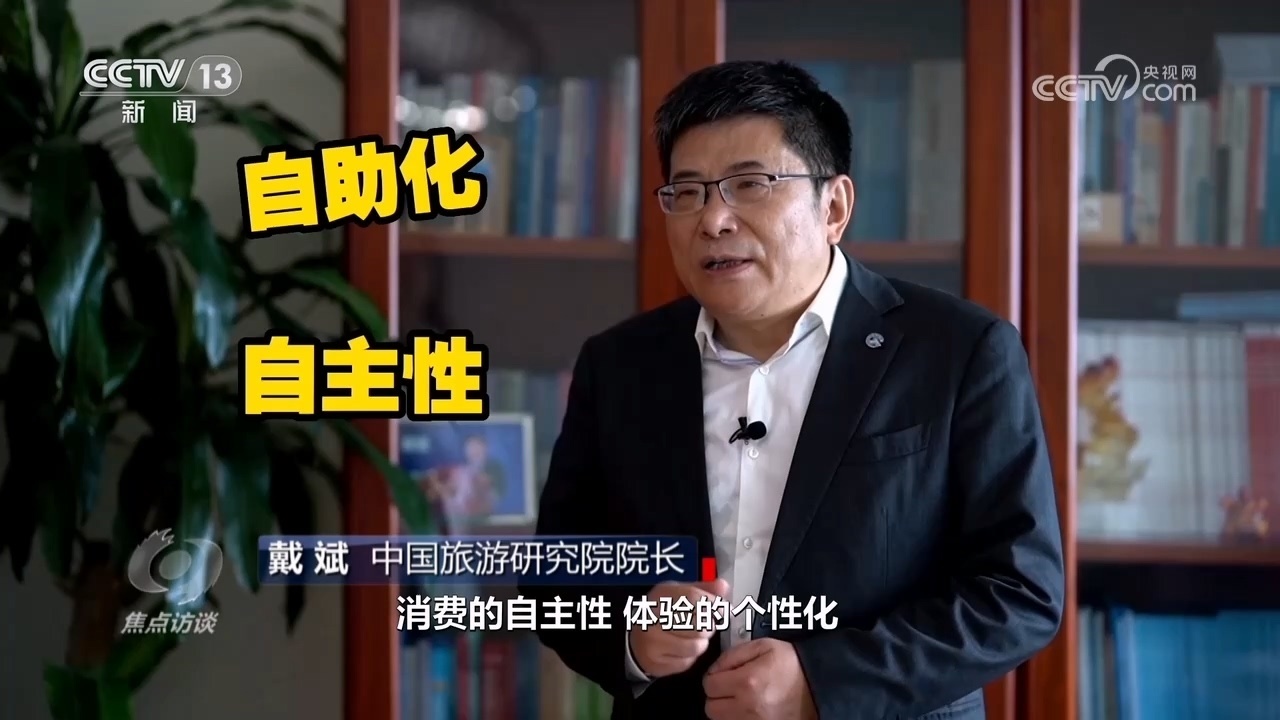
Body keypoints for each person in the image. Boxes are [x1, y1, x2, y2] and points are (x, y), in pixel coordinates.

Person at [524, 60, 1065, 720]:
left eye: (750, 185)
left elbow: (1018, 591)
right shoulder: (620, 365)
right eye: (687, 192)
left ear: (832, 206)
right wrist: (632, 637)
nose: (713, 220)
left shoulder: (959, 351)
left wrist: (824, 682)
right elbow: (558, 575)